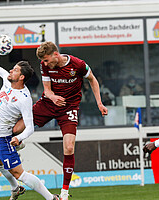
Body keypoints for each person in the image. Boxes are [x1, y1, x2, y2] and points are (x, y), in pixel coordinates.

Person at [13, 41, 108, 200]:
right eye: (43, 61)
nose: (44, 63)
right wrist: (53, 97)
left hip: (69, 108)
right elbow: (47, 90)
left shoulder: (78, 65)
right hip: (48, 103)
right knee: (16, 128)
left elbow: (93, 80)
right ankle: (18, 143)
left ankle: (64, 192)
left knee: (69, 147)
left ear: (55, 55)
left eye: (46, 60)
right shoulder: (45, 66)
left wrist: (99, 103)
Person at [0, 55, 59, 200]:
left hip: (2, 139)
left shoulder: (24, 99)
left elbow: (30, 127)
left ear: (21, 77)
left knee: (20, 174)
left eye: (15, 70)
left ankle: (51, 198)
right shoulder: (7, 80)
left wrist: (18, 138)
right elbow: (2, 72)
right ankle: (15, 188)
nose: (11, 71)